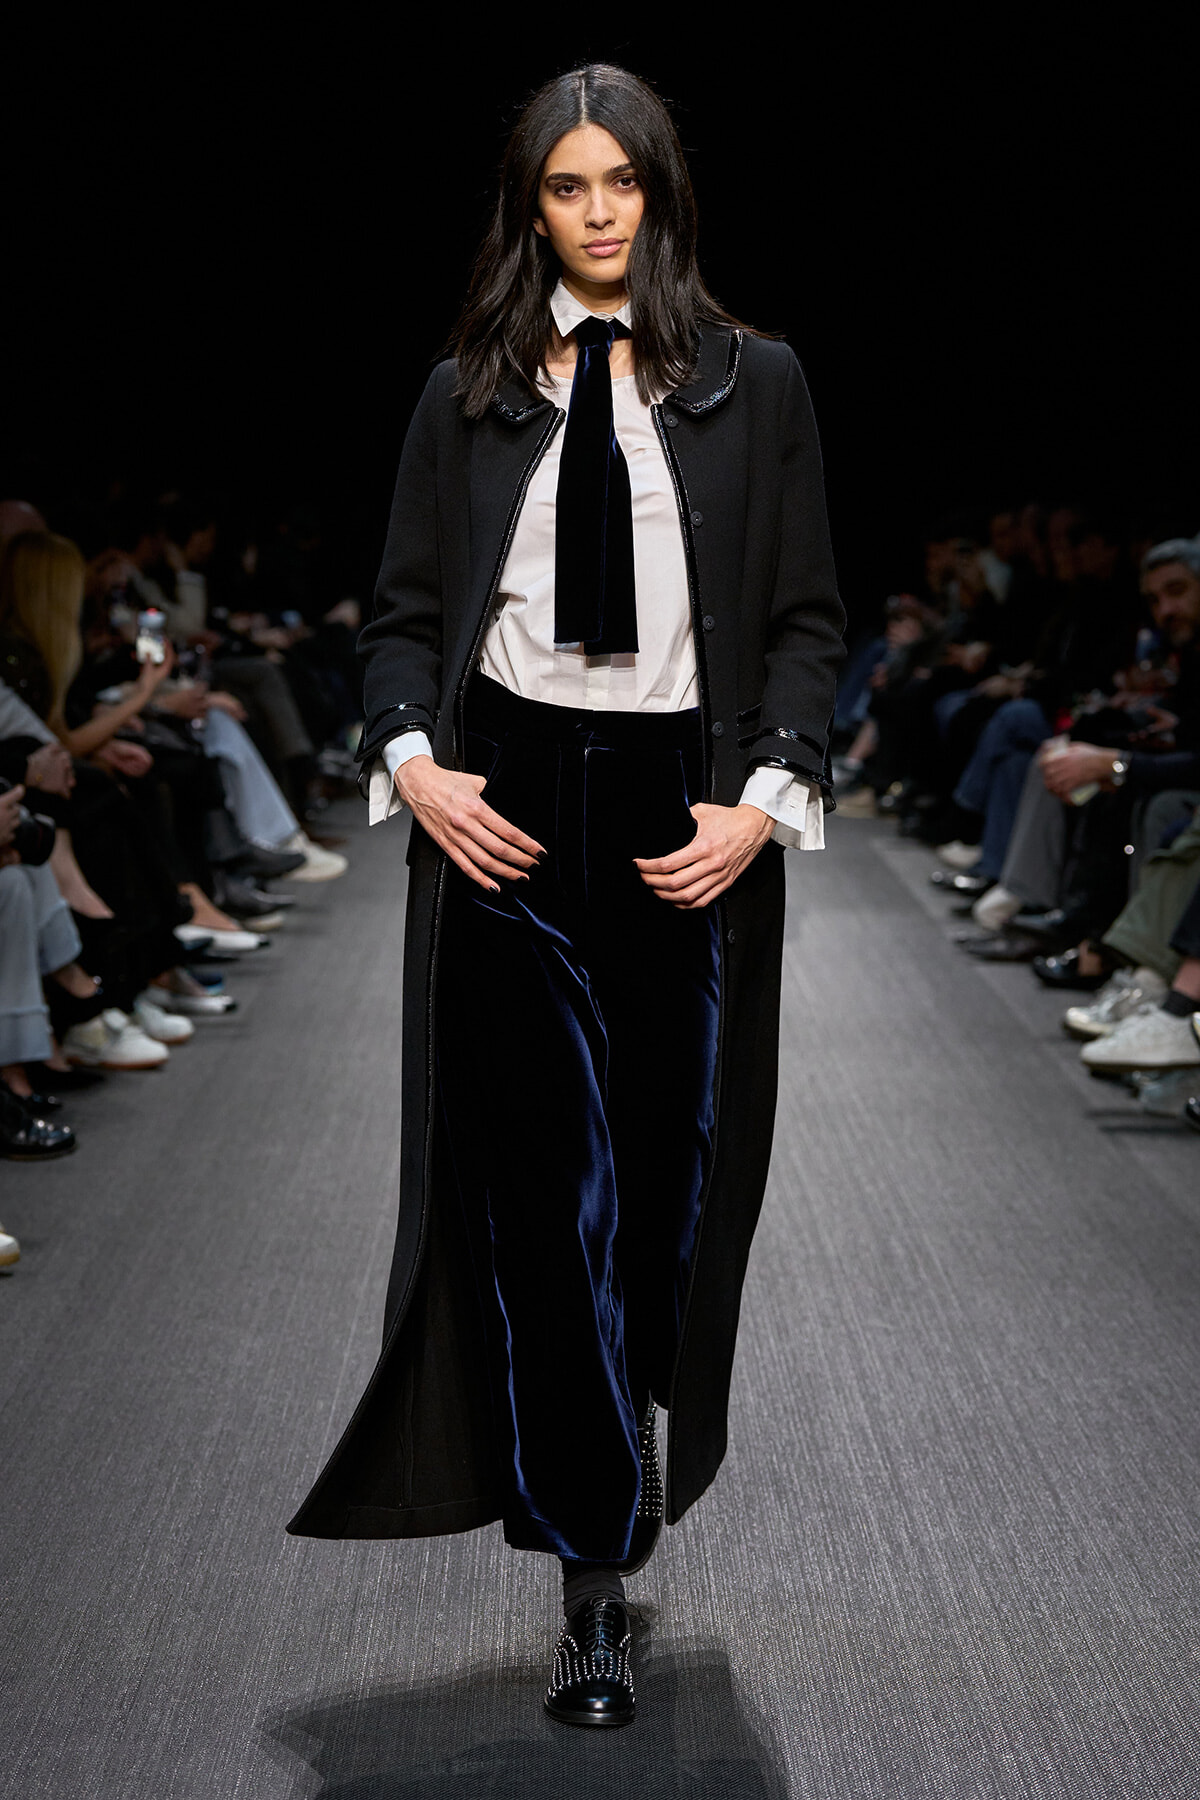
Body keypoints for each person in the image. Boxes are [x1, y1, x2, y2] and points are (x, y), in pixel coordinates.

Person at [287, 63, 846, 1728]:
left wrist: (761, 806)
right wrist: (414, 766)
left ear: (663, 197)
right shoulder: (465, 391)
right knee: (548, 1211)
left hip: (688, 817)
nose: (598, 213)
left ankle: (626, 1458)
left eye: (624, 185)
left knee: (667, 1212)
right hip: (509, 817)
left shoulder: (760, 383)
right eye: (566, 188)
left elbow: (808, 620)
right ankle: (591, 1586)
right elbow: (396, 617)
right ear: (530, 209)